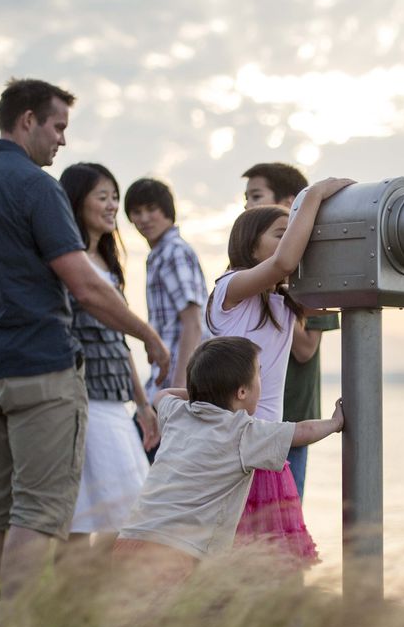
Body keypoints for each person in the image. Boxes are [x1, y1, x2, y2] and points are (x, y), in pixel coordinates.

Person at [0, 78, 169, 627]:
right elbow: (85, 287)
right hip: (42, 370)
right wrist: (147, 335)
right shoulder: (36, 188)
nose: (61, 141)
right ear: (27, 121)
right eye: (58, 126)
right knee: (38, 512)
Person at [207, 177, 353, 562]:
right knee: (227, 564)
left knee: (272, 566)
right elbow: (285, 261)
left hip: (266, 451)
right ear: (250, 243)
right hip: (229, 451)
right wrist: (316, 194)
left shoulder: (283, 302)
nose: (291, 241)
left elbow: (348, 294)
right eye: (279, 233)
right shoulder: (230, 289)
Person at [116, 336, 343, 572]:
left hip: (131, 538)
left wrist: (204, 392)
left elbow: (160, 396)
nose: (261, 381)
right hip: (178, 552)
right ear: (242, 391)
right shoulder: (243, 432)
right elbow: (302, 431)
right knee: (178, 609)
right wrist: (335, 423)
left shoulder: (177, 412)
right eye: (259, 374)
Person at [59, 162, 158, 547]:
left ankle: (91, 602)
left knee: (121, 512)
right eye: (103, 196)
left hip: (114, 399)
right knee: (90, 516)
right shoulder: (70, 263)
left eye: (114, 196)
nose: (112, 205)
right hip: (84, 398)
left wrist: (142, 403)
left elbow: (118, 341)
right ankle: (79, 602)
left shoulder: (109, 265)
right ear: (77, 202)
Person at [243, 162, 340, 500]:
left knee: (283, 522)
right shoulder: (249, 276)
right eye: (246, 198)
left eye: (256, 196)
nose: (248, 206)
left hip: (293, 415)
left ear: (291, 203)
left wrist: (273, 298)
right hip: (247, 419)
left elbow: (305, 349)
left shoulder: (312, 271)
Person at [124, 177, 209, 461]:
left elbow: (193, 322)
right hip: (164, 385)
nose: (144, 218)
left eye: (151, 209)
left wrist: (178, 392)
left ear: (167, 210)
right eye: (136, 212)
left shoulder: (173, 252)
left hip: (174, 388)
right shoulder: (159, 254)